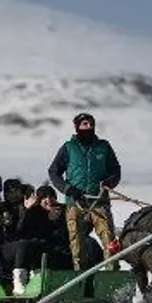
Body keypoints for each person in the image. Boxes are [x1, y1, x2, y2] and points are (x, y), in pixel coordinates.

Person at [48, 112, 122, 270]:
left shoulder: (104, 147)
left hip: (100, 202)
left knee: (110, 242)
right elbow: (53, 172)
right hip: (75, 203)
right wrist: (68, 189)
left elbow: (115, 170)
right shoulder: (68, 148)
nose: (88, 127)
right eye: (84, 124)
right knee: (77, 246)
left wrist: (110, 181)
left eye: (90, 124)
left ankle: (112, 279)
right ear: (77, 127)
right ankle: (79, 281)